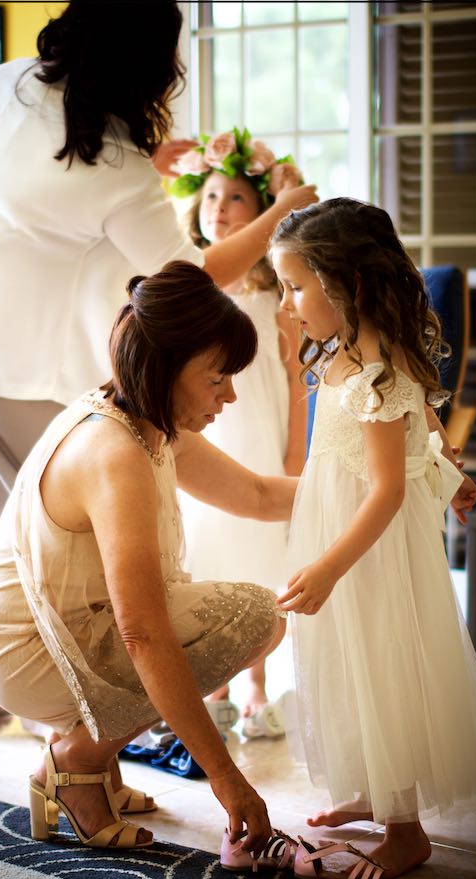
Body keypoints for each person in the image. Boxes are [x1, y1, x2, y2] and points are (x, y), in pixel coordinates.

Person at [0, 0, 318, 728]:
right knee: (50, 550)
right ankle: (64, 716)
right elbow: (194, 273)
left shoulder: (4, 83)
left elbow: (41, 182)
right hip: (17, 363)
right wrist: (278, 213)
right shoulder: (115, 170)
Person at [0, 260, 300, 856]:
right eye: (218, 377)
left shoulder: (149, 420)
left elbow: (255, 494)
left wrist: (378, 491)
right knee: (253, 617)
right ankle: (75, 761)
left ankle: (87, 759)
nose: (231, 394)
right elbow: (141, 633)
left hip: (60, 632)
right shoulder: (114, 451)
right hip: (24, 651)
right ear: (169, 366)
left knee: (252, 617)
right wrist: (229, 780)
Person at [270, 198, 476, 879]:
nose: (289, 304)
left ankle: (403, 831)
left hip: (365, 544)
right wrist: (450, 472)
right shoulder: (359, 349)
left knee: (380, 665)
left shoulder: (375, 370)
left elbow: (386, 488)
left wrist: (327, 568)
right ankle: (377, 789)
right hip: (345, 524)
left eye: (295, 287)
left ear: (344, 282)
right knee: (349, 663)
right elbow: (426, 429)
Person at [171, 128, 308, 739]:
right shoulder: (189, 285)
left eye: (235, 199)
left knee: (258, 562)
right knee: (206, 558)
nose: (220, 210)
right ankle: (213, 683)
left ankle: (254, 682)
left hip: (260, 440)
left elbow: (297, 377)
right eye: (210, 199)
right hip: (207, 442)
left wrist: (294, 453)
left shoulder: (278, 293)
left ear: (261, 214)